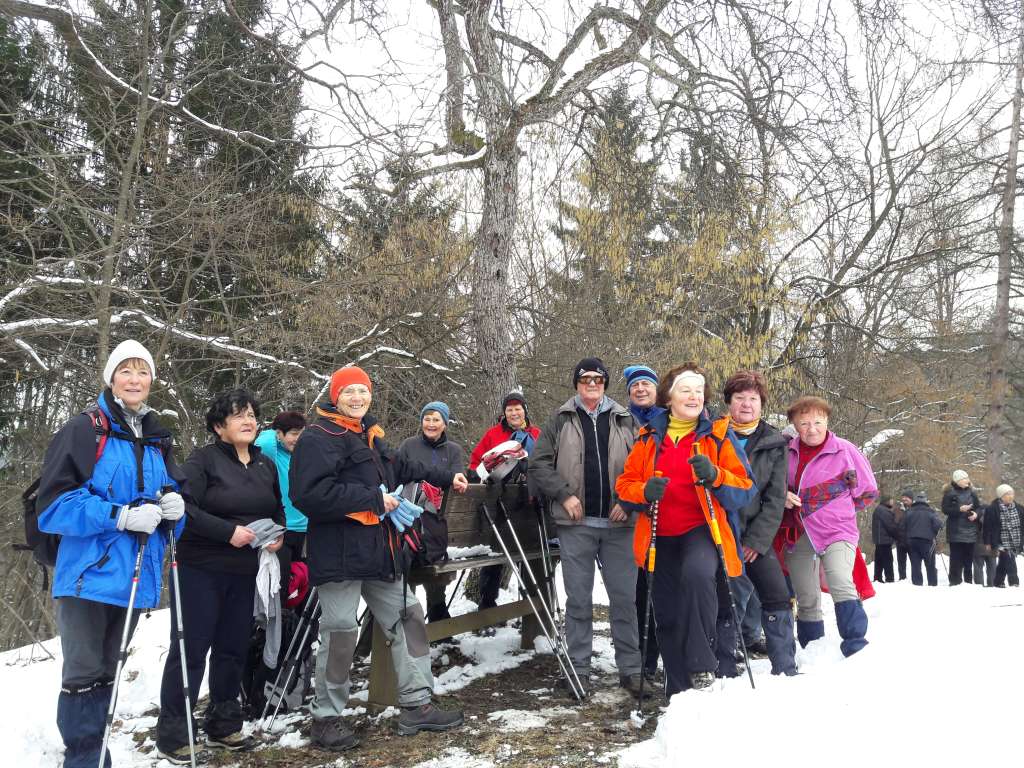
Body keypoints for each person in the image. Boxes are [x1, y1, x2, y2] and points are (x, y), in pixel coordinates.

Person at [289, 366, 469, 750]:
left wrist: (446, 476)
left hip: (379, 552)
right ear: (335, 396)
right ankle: (326, 718)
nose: (357, 398)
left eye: (363, 391)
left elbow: (403, 466)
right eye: (350, 391)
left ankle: (417, 704)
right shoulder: (318, 437)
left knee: (409, 619)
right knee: (340, 633)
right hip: (338, 554)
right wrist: (372, 500)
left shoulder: (369, 436)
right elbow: (307, 495)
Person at [36, 340, 183, 768]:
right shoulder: (84, 430)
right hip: (86, 576)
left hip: (137, 576)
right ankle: (84, 760)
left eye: (142, 372)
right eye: (126, 371)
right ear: (111, 378)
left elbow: (167, 502)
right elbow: (53, 507)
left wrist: (176, 508)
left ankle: (95, 752)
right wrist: (119, 516)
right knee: (83, 675)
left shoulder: (157, 436)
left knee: (107, 672)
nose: (135, 380)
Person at [155, 389, 285, 763]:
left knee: (232, 650)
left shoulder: (264, 464)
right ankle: (174, 733)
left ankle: (224, 724)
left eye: (252, 415)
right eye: (238, 415)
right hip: (201, 569)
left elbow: (277, 509)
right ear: (218, 425)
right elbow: (183, 510)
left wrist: (276, 535)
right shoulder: (202, 461)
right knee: (191, 651)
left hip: (245, 572)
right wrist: (227, 532)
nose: (248, 421)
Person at [616, 363, 755, 694]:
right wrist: (644, 491)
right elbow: (625, 485)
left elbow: (746, 488)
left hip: (700, 529)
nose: (693, 396)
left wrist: (716, 476)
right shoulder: (648, 438)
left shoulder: (718, 436)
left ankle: (701, 662)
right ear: (669, 397)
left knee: (697, 574)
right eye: (685, 390)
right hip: (658, 533)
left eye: (698, 390)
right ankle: (677, 689)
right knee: (663, 611)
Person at [530, 357, 642, 695]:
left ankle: (632, 669)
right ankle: (579, 669)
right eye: (584, 379)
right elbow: (538, 463)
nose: (591, 384)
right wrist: (564, 495)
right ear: (576, 384)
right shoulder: (560, 420)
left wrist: (629, 501)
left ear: (605, 383)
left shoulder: (626, 419)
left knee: (624, 599)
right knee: (578, 600)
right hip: (575, 524)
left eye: (597, 379)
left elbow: (644, 466)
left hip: (620, 525)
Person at [779, 396, 877, 656]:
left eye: (817, 422)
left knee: (840, 579)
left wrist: (840, 511)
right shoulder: (786, 452)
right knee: (805, 594)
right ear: (794, 426)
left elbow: (867, 491)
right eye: (804, 423)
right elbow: (773, 486)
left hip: (837, 531)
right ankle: (812, 648)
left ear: (827, 421)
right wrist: (782, 496)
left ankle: (855, 643)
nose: (812, 429)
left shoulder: (845, 450)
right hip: (798, 531)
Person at [719, 371, 796, 676]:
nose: (746, 404)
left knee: (776, 593)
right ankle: (722, 665)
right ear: (729, 402)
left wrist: (755, 541)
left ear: (762, 404)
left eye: (753, 398)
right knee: (724, 597)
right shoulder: (714, 434)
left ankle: (785, 667)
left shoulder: (774, 442)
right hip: (720, 533)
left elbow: (776, 498)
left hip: (755, 538)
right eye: (739, 398)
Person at [468, 392, 541, 612]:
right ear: (504, 413)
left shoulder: (536, 434)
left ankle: (532, 608)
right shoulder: (494, 434)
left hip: (528, 506)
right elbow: (475, 462)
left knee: (529, 554)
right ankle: (487, 605)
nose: (514, 413)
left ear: (525, 410)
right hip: (498, 505)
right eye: (509, 409)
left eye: (518, 408)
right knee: (495, 553)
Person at [397, 401, 466, 621]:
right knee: (407, 562)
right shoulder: (409, 445)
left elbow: (457, 481)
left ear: (445, 424)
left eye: (436, 419)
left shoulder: (453, 450)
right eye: (427, 419)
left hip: (437, 524)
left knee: (431, 556)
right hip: (410, 521)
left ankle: (437, 618)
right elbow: (397, 474)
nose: (431, 424)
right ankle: (408, 617)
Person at [624, 365, 666, 681]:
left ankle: (673, 653)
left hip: (669, 516)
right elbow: (621, 471)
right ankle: (645, 657)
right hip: (635, 514)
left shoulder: (669, 419)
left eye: (646, 384)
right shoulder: (622, 421)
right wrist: (628, 501)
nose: (640, 389)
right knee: (642, 591)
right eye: (635, 385)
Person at [254, 410, 307, 592]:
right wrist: (275, 430)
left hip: (306, 531)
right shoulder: (272, 454)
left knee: (302, 585)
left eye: (302, 434)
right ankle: (280, 620)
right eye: (293, 433)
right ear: (279, 434)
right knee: (280, 587)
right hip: (281, 530)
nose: (298, 439)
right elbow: (264, 441)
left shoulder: (302, 457)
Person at [941, 469, 982, 586]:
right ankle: (954, 582)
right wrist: (959, 509)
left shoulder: (972, 493)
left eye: (967, 478)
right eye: (964, 479)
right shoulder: (949, 493)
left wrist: (976, 514)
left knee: (968, 559)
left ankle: (968, 582)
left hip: (971, 530)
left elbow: (979, 508)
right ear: (957, 480)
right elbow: (945, 510)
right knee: (956, 559)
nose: (967, 481)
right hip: (956, 532)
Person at [983, 484, 1022, 588]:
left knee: (1004, 560)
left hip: (1015, 539)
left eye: (1012, 493)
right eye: (1007, 494)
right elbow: (987, 527)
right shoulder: (992, 509)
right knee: (1009, 557)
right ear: (1001, 496)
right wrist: (987, 542)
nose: (1011, 496)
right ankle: (1014, 582)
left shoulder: (1019, 508)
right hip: (1000, 540)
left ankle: (998, 582)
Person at [904, 491, 942, 586]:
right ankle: (932, 584)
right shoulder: (931, 512)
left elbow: (903, 526)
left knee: (915, 565)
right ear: (925, 501)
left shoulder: (909, 512)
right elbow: (938, 525)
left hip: (912, 541)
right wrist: (934, 532)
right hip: (927, 542)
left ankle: (917, 585)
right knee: (930, 565)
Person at [871, 496, 899, 582]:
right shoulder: (884, 511)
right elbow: (890, 526)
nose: (892, 502)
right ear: (886, 501)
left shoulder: (879, 509)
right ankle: (889, 578)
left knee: (879, 560)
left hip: (879, 539)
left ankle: (877, 577)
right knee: (888, 560)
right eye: (891, 501)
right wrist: (897, 536)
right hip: (884, 540)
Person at [973, 502, 998, 588]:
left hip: (977, 545)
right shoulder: (995, 516)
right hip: (991, 545)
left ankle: (979, 585)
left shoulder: (975, 516)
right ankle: (992, 584)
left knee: (978, 567)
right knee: (992, 566)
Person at [895, 491, 912, 580]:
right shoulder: (897, 509)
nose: (904, 499)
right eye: (903, 497)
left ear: (911, 499)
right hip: (900, 540)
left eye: (907, 497)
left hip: (911, 540)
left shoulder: (915, 509)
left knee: (914, 562)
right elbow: (893, 522)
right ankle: (902, 578)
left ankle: (915, 579)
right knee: (901, 561)